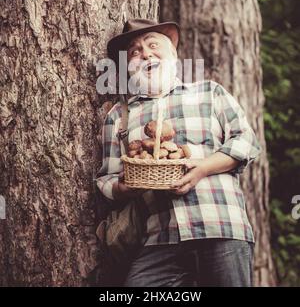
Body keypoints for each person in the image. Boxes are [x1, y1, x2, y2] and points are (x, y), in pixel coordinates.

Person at [96, 18, 261, 287]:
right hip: (161, 237)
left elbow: (246, 141)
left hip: (220, 226)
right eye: (135, 52)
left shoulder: (209, 92)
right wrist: (128, 186)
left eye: (153, 45)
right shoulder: (120, 116)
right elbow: (106, 179)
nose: (145, 54)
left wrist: (202, 169)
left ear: (172, 53)